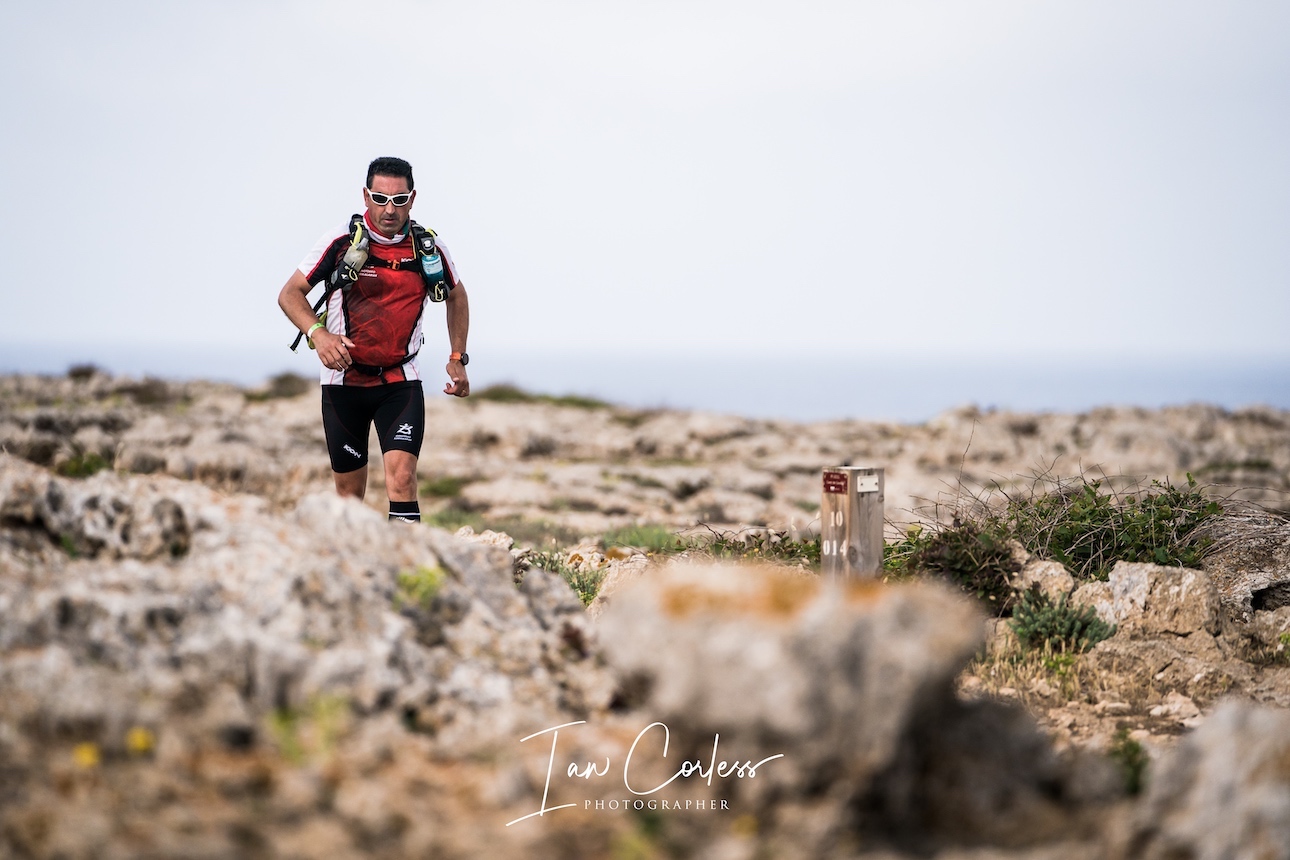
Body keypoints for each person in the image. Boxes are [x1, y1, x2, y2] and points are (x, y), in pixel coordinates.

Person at [278, 156, 470, 523]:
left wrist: (457, 356)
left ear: (412, 199)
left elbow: (457, 296)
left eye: (399, 200)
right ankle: (352, 559)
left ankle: (407, 558)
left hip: (400, 381)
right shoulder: (339, 241)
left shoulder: (428, 247)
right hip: (344, 383)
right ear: (366, 197)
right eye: (380, 199)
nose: (389, 209)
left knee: (403, 479)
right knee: (349, 498)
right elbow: (290, 294)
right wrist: (319, 335)